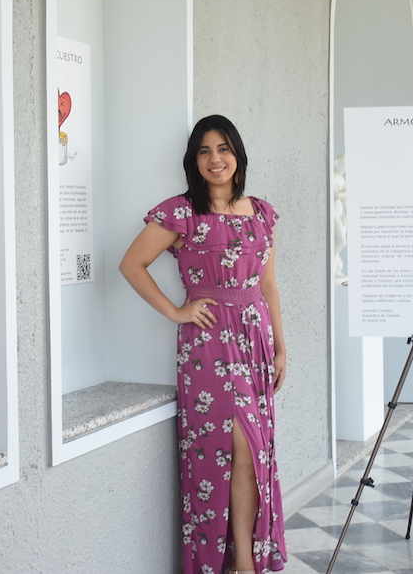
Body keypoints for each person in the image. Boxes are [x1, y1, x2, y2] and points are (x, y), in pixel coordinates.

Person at [120, 115, 287, 574]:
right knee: (226, 450)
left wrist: (280, 346)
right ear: (194, 160)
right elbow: (132, 264)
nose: (216, 159)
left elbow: (269, 286)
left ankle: (243, 562)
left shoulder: (263, 213)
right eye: (205, 151)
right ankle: (231, 564)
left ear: (238, 156)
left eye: (224, 148)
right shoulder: (181, 211)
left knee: (252, 454)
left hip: (254, 343)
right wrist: (177, 311)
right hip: (208, 346)